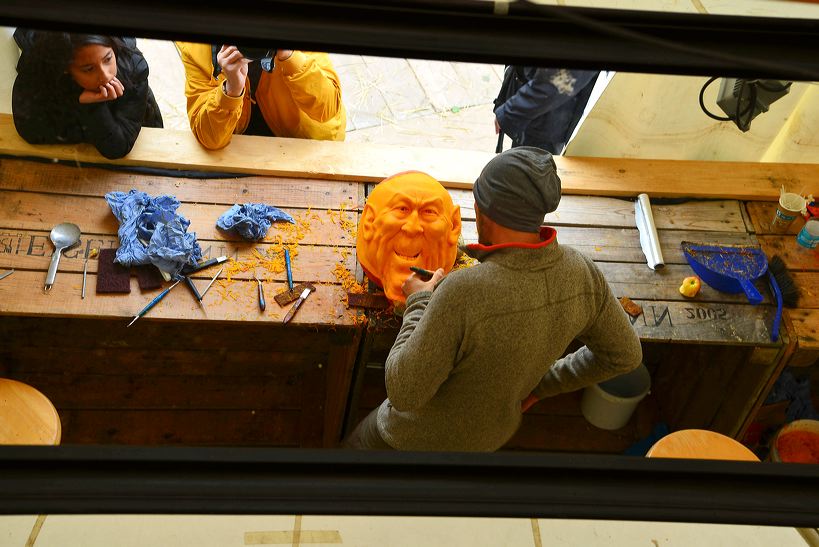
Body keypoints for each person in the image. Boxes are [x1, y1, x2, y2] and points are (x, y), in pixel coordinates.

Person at [345, 147, 642, 451]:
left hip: (411, 441)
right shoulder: (582, 273)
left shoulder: (464, 292)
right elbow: (626, 354)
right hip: (488, 440)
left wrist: (419, 303)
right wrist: (541, 386)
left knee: (353, 455)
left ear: (482, 210)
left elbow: (405, 392)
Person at [12, 29, 163, 160]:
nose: (105, 75)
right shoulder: (40, 69)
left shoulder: (133, 69)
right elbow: (28, 128)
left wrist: (93, 106)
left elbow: (118, 147)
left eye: (108, 59)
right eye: (89, 69)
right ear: (65, 68)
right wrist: (80, 101)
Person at [175, 42, 346, 150]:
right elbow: (209, 138)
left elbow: (327, 108)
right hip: (238, 143)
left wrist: (290, 55)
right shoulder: (196, 46)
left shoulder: (298, 23)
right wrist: (231, 90)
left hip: (303, 142)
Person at [493, 67, 599, 155]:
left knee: (531, 174)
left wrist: (511, 112)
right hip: (533, 110)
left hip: (546, 120)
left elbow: (558, 82)